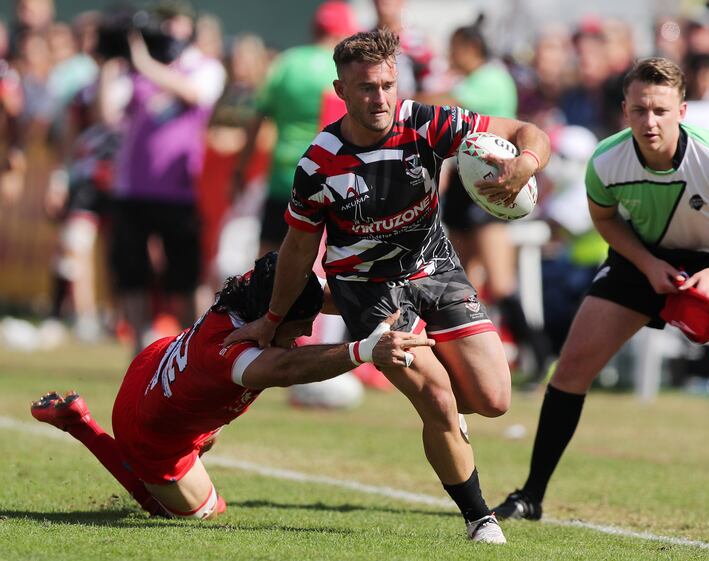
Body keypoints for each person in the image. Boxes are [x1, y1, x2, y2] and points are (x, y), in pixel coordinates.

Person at [225, 29, 551, 544]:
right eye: (366, 88)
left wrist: (524, 164)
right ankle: (479, 518)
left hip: (437, 272)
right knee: (439, 401)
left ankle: (440, 403)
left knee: (492, 400)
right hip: (367, 291)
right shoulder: (318, 163)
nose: (380, 98)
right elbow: (297, 249)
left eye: (387, 85)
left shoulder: (426, 122)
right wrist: (270, 319)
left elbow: (528, 129)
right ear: (340, 90)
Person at [493, 57, 709, 532]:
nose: (649, 121)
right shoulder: (608, 160)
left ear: (682, 111)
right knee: (571, 369)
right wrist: (648, 263)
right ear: (624, 110)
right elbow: (606, 218)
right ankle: (531, 496)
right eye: (639, 110)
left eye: (660, 110)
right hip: (642, 259)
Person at [30, 251, 433, 520]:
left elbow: (312, 296)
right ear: (273, 317)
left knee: (207, 438)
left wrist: (393, 295)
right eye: (301, 324)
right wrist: (364, 350)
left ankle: (183, 443)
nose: (308, 329)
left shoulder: (254, 290)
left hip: (155, 371)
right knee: (202, 512)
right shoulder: (233, 356)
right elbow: (289, 369)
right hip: (150, 432)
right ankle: (79, 423)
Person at [104, 1, 226, 354]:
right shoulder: (137, 70)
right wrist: (111, 64)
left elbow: (194, 95)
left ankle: (196, 349)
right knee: (131, 271)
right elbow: (108, 113)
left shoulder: (205, 67)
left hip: (178, 191)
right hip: (131, 188)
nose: (167, 31)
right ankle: (138, 349)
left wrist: (143, 61)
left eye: (173, 23)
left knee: (184, 275)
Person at [435, 23, 549, 381]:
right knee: (455, 280)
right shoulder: (476, 78)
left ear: (470, 47)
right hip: (464, 183)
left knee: (499, 283)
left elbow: (450, 106)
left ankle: (539, 355)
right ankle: (453, 364)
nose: (449, 56)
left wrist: (408, 102)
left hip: (491, 184)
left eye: (453, 47)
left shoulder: (490, 78)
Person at [233, 0, 359, 255]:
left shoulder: (286, 63)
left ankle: (266, 295)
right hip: (330, 182)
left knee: (268, 259)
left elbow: (256, 121)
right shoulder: (343, 69)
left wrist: (240, 170)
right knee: (322, 263)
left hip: (284, 179)